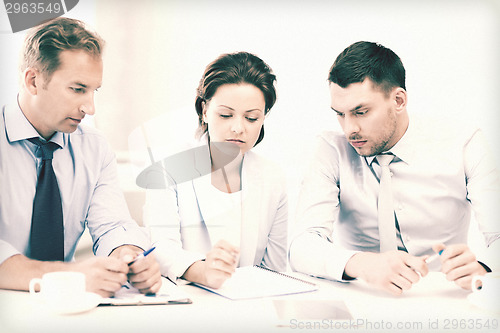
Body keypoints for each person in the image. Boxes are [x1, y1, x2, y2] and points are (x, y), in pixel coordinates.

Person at [289, 41, 499, 295]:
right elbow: (302, 247)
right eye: (340, 114)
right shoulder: (331, 150)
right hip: (362, 297)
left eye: (361, 112)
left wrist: (484, 266)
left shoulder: (465, 143)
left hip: (446, 296)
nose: (349, 129)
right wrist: (365, 264)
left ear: (398, 100)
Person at [0, 17, 161, 297]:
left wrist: (129, 256)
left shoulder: (94, 148)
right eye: (77, 89)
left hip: (69, 305)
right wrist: (70, 274)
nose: (90, 107)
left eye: (93, 90)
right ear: (33, 81)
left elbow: (112, 225)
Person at [143, 52, 287, 288]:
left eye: (251, 118)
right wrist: (202, 271)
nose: (238, 128)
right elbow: (160, 248)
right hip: (188, 302)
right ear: (204, 110)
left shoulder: (273, 178)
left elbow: (275, 270)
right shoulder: (168, 166)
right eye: (226, 115)